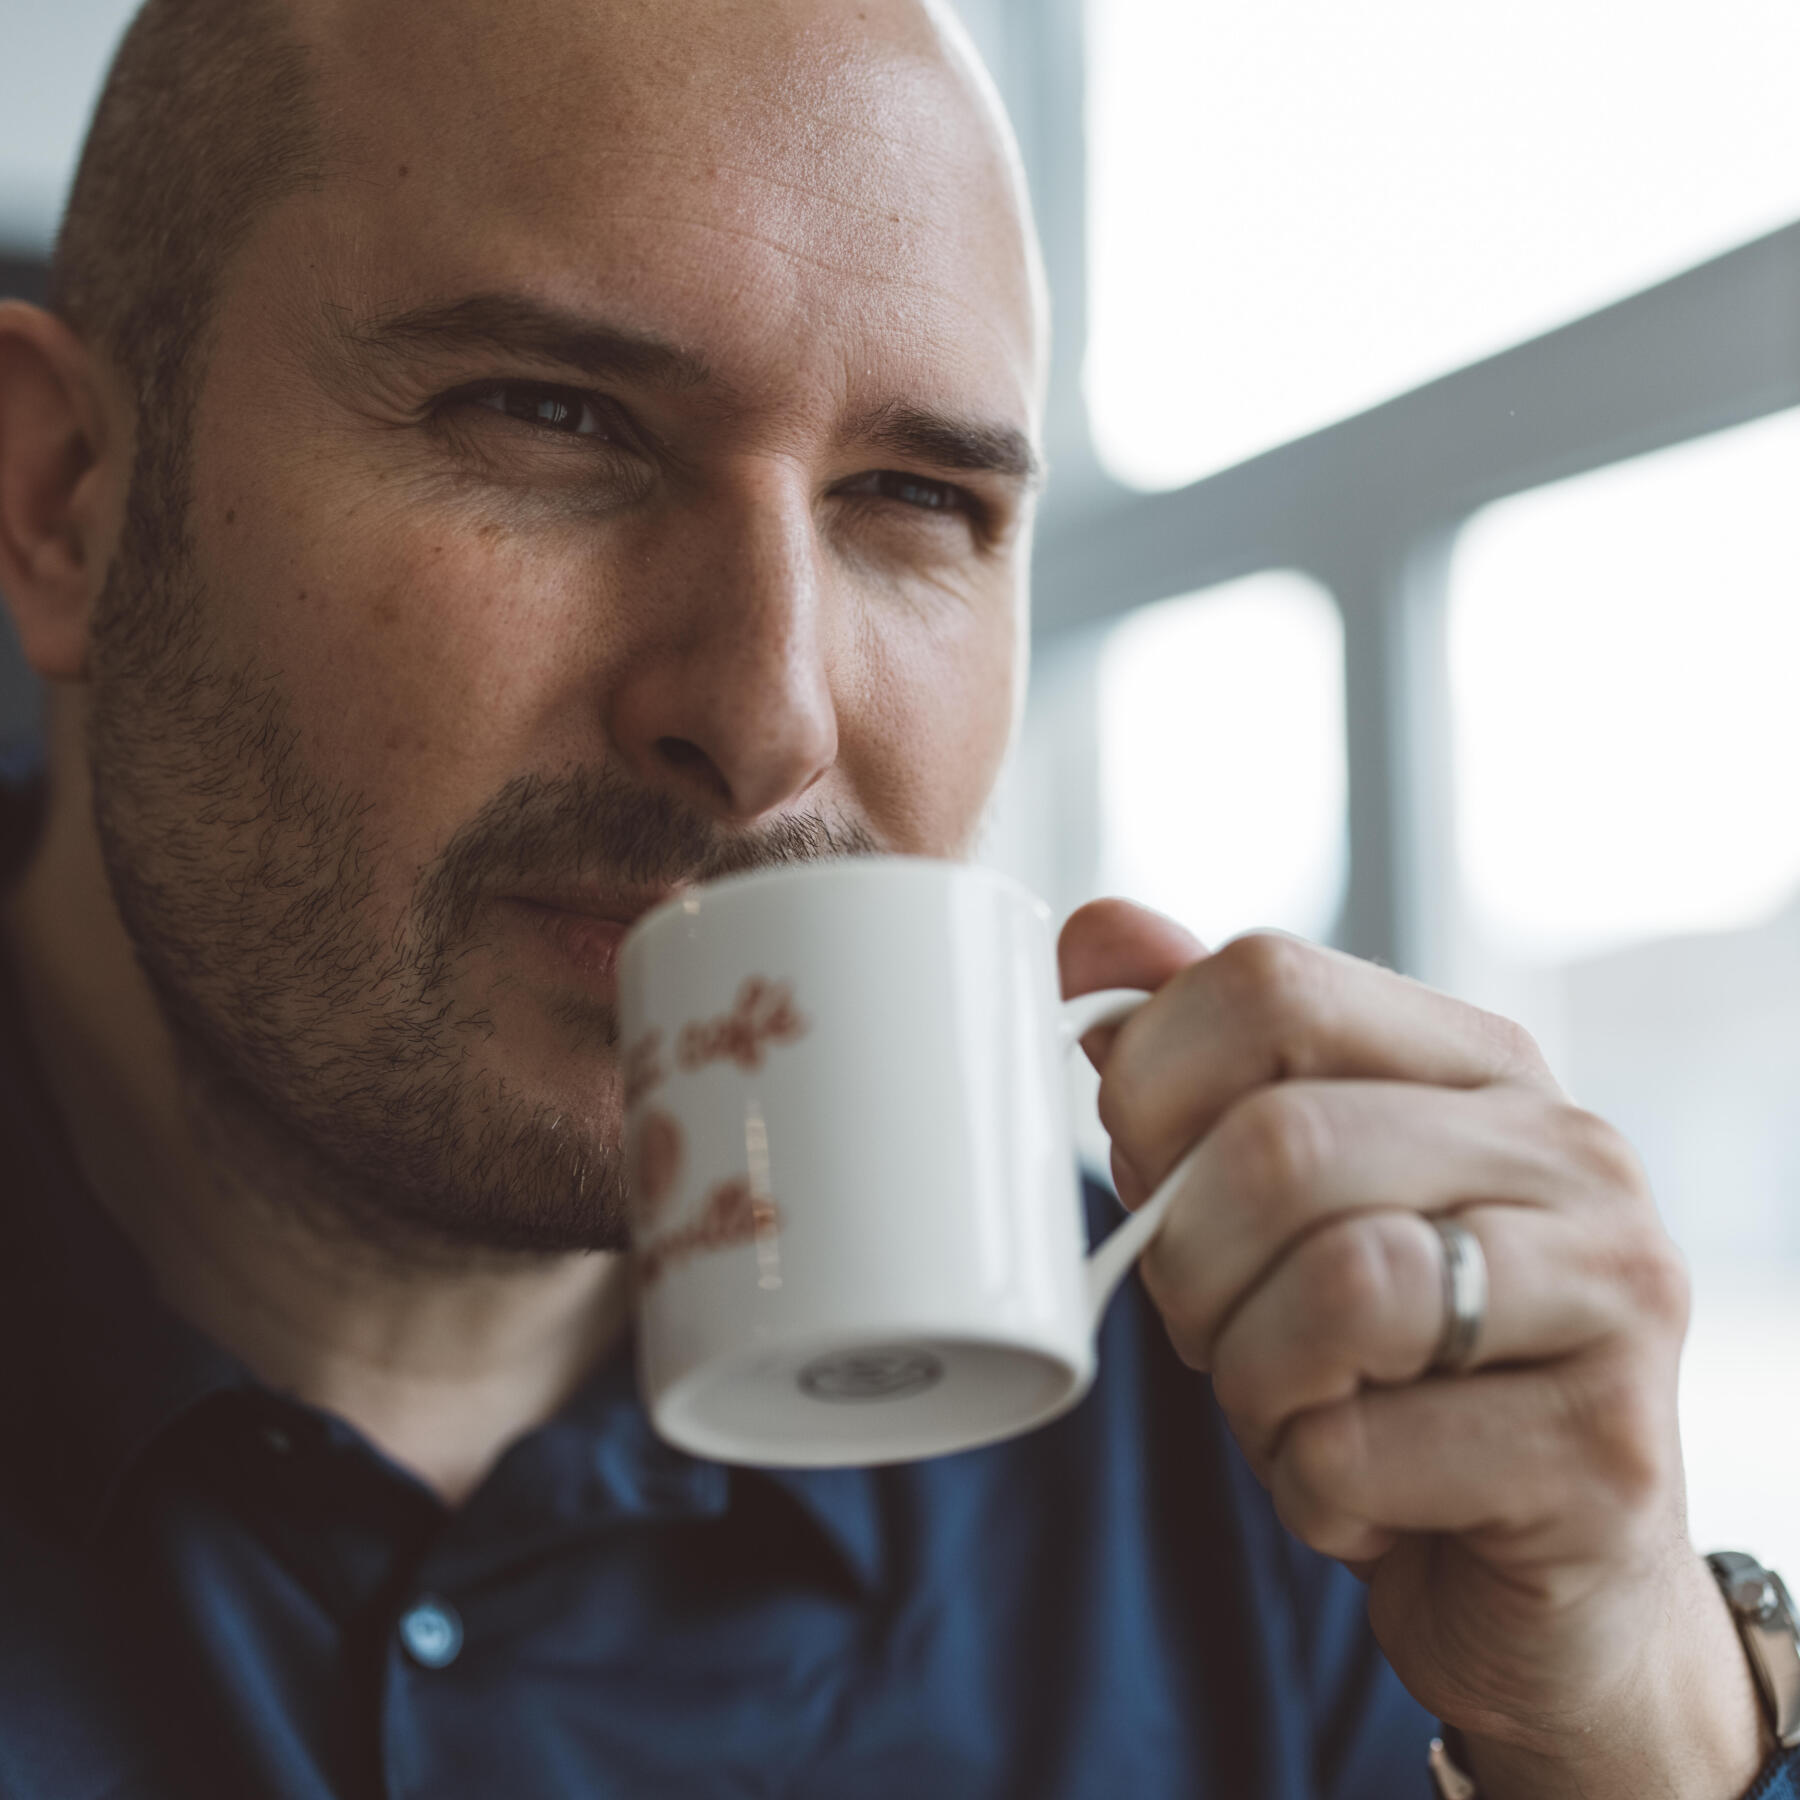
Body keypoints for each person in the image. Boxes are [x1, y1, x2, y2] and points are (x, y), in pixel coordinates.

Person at [0, 1, 1790, 1795]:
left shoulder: (1270, 1446)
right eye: (552, 416)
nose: (768, 717)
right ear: (64, 499)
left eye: (914, 498)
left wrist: (1639, 1720)